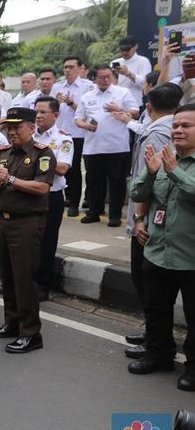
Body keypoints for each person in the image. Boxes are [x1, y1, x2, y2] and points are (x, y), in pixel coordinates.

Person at [127, 104, 195, 391]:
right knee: (156, 308)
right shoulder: (164, 158)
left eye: (186, 126)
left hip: (190, 256)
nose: (178, 130)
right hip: (157, 250)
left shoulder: (175, 164)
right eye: (175, 125)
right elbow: (138, 193)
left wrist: (174, 171)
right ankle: (159, 354)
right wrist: (152, 173)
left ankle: (193, 367)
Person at [0, 107, 56, 353]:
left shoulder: (42, 153)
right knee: (7, 276)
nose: (12, 132)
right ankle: (12, 323)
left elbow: (42, 187)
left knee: (25, 278)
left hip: (26, 223)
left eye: (17, 127)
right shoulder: (4, 153)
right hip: (3, 221)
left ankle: (31, 333)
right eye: (9, 127)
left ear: (31, 128)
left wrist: (10, 180)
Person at [124, 83, 181, 360]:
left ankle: (156, 339)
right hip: (156, 216)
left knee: (147, 282)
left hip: (150, 219)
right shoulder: (171, 129)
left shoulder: (157, 133)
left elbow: (148, 180)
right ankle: (154, 335)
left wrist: (138, 219)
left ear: (148, 106)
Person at [74, 65, 139, 226]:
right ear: (94, 79)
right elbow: (78, 118)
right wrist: (85, 126)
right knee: (94, 181)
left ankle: (115, 215)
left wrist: (120, 109)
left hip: (117, 146)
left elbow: (135, 111)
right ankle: (95, 212)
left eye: (108, 76)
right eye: (101, 77)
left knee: (116, 181)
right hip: (93, 146)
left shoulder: (122, 92)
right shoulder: (87, 96)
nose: (105, 80)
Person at [32, 96, 74, 301]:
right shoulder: (27, 135)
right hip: (27, 193)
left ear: (55, 115)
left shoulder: (63, 139)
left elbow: (62, 168)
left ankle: (42, 285)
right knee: (26, 241)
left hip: (51, 196)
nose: (38, 116)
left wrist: (38, 157)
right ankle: (24, 281)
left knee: (47, 243)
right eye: (36, 112)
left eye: (43, 112)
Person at [54, 56, 94, 218]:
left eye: (71, 67)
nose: (68, 70)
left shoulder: (87, 87)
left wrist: (71, 103)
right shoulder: (57, 86)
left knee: (74, 169)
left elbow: (87, 113)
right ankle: (65, 196)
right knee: (59, 167)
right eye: (65, 67)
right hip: (59, 133)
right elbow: (51, 108)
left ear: (80, 68)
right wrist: (55, 102)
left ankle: (74, 203)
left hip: (77, 134)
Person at [113, 36, 153, 105]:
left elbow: (145, 83)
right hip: (116, 102)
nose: (124, 52)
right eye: (122, 50)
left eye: (127, 49)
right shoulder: (115, 62)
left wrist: (128, 74)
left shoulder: (143, 61)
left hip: (134, 102)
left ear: (135, 47)